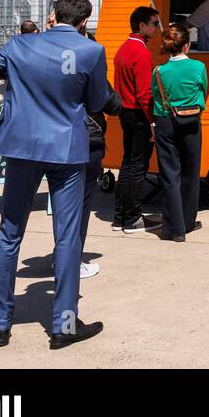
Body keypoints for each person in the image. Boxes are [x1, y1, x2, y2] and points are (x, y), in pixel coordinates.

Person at [0, 0, 109, 350]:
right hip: (67, 152)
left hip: (21, 150)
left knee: (10, 234)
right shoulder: (90, 51)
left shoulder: (18, 47)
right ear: (84, 22)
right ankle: (63, 325)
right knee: (68, 237)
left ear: (52, 15)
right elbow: (98, 102)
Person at [151, 24, 208, 241]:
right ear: (186, 45)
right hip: (192, 120)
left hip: (165, 121)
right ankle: (188, 221)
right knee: (191, 171)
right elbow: (204, 89)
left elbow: (156, 98)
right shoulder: (198, 67)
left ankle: (175, 229)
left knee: (169, 174)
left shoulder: (159, 71)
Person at [113, 6, 161, 235]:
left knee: (127, 163)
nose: (157, 27)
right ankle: (132, 218)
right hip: (139, 114)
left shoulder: (123, 48)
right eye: (154, 23)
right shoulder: (140, 52)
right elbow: (144, 94)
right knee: (137, 166)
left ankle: (120, 216)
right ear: (141, 25)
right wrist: (153, 122)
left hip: (126, 112)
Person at [81, 76, 123, 279]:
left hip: (53, 145)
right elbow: (114, 105)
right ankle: (70, 260)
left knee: (64, 206)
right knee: (81, 206)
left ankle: (62, 257)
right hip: (87, 142)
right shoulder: (89, 73)